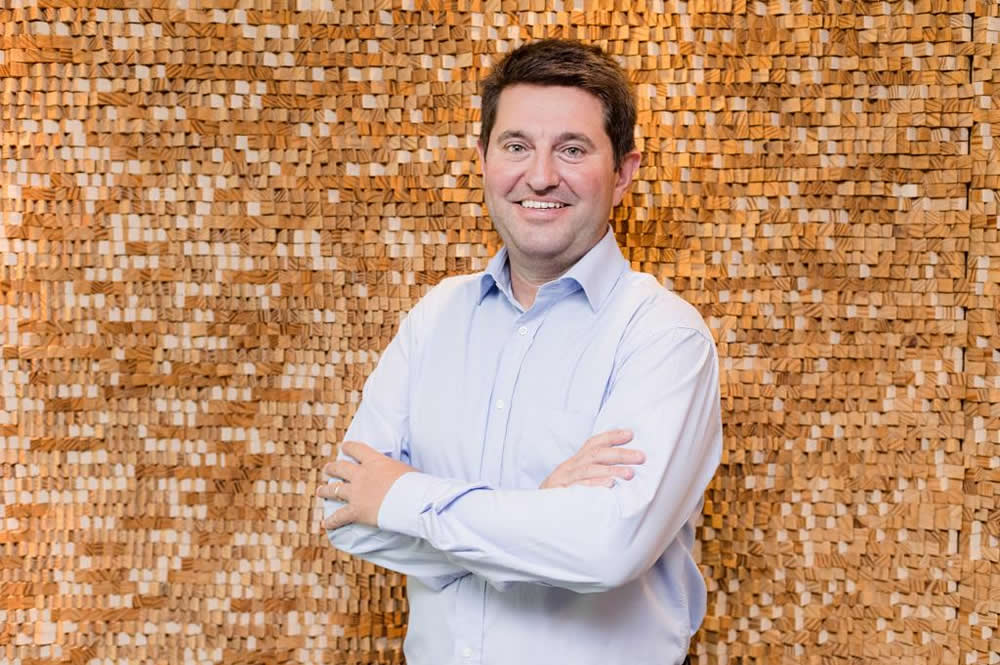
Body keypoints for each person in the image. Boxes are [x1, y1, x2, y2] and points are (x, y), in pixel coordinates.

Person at [317, 39, 722, 665]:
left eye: (572, 149)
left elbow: (606, 548)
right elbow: (346, 508)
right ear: (481, 160)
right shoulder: (435, 319)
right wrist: (540, 515)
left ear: (624, 173)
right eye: (516, 146)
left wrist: (405, 499)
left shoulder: (664, 337)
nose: (539, 176)